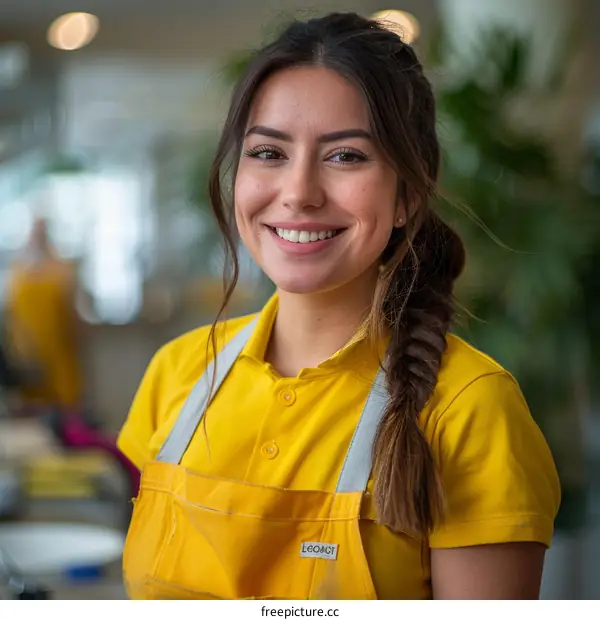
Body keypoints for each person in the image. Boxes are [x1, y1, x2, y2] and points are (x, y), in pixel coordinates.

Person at [117, 12, 561, 600]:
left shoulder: (469, 407)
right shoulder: (177, 372)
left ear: (408, 194)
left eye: (346, 156)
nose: (298, 192)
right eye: (269, 153)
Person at [4, 215, 83, 414]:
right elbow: (11, 315)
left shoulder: (63, 270)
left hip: (59, 353)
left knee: (64, 411)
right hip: (27, 354)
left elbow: (74, 315)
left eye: (41, 231)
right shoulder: (17, 272)